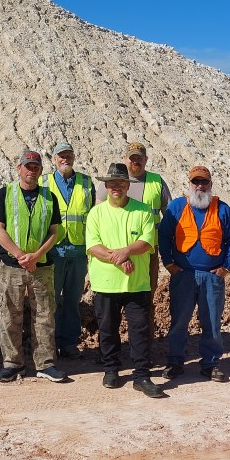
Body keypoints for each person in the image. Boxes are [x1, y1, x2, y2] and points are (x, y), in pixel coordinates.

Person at [0, 150, 67, 384]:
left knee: (44, 315)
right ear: (19, 168)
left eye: (35, 167)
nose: (31, 171)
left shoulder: (49, 197)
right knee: (9, 314)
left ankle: (46, 364)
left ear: (41, 171)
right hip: (11, 266)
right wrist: (20, 255)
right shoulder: (5, 194)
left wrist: (37, 256)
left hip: (41, 266)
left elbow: (54, 232)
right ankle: (12, 364)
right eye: (27, 166)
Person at [86, 163, 163, 397]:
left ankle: (142, 376)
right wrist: (121, 259)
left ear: (128, 185)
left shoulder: (143, 211)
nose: (116, 187)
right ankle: (111, 370)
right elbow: (93, 245)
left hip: (136, 284)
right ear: (106, 186)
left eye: (120, 182)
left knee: (140, 331)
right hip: (105, 284)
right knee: (107, 330)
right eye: (112, 183)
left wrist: (126, 251)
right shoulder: (96, 213)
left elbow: (147, 242)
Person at [159, 165, 230, 383]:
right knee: (179, 321)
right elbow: (163, 236)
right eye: (196, 182)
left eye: (204, 182)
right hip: (183, 276)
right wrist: (169, 263)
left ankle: (211, 364)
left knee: (212, 322)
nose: (200, 186)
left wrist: (226, 267)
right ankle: (175, 362)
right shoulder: (177, 206)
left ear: (210, 184)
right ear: (189, 184)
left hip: (211, 277)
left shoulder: (222, 209)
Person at [96, 142, 171, 343]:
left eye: (139, 158)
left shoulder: (157, 182)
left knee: (145, 298)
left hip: (147, 252)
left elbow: (169, 217)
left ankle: (145, 346)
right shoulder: (109, 184)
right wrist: (118, 255)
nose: (135, 161)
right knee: (110, 304)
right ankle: (110, 350)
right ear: (125, 159)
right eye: (132, 157)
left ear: (146, 159)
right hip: (112, 254)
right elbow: (99, 219)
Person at [41, 141, 95, 359]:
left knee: (73, 301)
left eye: (68, 155)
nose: (65, 159)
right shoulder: (44, 182)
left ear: (74, 157)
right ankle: (50, 343)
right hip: (53, 252)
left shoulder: (86, 182)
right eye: (61, 156)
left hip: (78, 252)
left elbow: (94, 215)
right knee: (51, 301)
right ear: (54, 159)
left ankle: (69, 343)